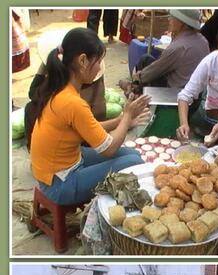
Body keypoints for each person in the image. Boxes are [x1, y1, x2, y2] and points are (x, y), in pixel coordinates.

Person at [28, 28, 152, 206]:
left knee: (131, 154)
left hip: (59, 169)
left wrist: (121, 120)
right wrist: (126, 118)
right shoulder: (72, 102)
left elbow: (89, 127)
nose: (100, 67)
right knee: (134, 162)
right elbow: (108, 149)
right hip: (59, 184)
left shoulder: (61, 90)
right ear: (83, 60)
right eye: (99, 61)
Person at [121, 10, 210, 94]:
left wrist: (137, 78)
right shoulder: (203, 40)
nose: (169, 19)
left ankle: (134, 89)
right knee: (148, 60)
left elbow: (157, 69)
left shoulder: (179, 47)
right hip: (196, 94)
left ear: (182, 23)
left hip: (179, 95)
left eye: (172, 17)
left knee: (145, 62)